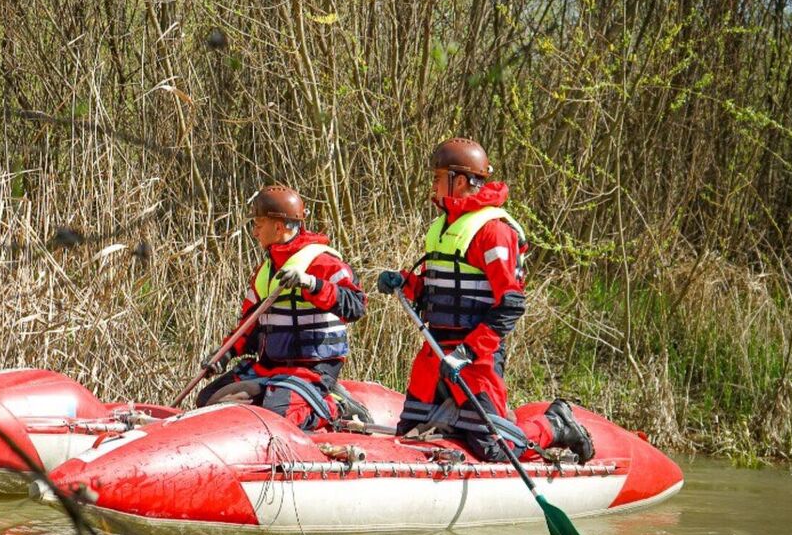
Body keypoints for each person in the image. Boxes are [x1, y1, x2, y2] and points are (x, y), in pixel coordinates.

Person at [376, 138, 595, 462]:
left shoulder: (493, 232)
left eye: (438, 178)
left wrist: (467, 352)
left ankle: (556, 425)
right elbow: (440, 290)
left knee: (494, 448)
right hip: (434, 354)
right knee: (408, 434)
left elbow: (510, 304)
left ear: (459, 181)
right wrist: (406, 283)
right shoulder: (442, 227)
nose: (433, 185)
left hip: (475, 359)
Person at [197, 185, 366, 430]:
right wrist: (225, 354)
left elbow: (356, 306)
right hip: (269, 368)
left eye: (258, 224)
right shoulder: (264, 271)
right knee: (205, 401)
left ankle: (337, 406)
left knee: (278, 417)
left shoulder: (324, 263)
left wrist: (312, 284)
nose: (254, 232)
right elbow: (249, 325)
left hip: (312, 370)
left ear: (278, 227)